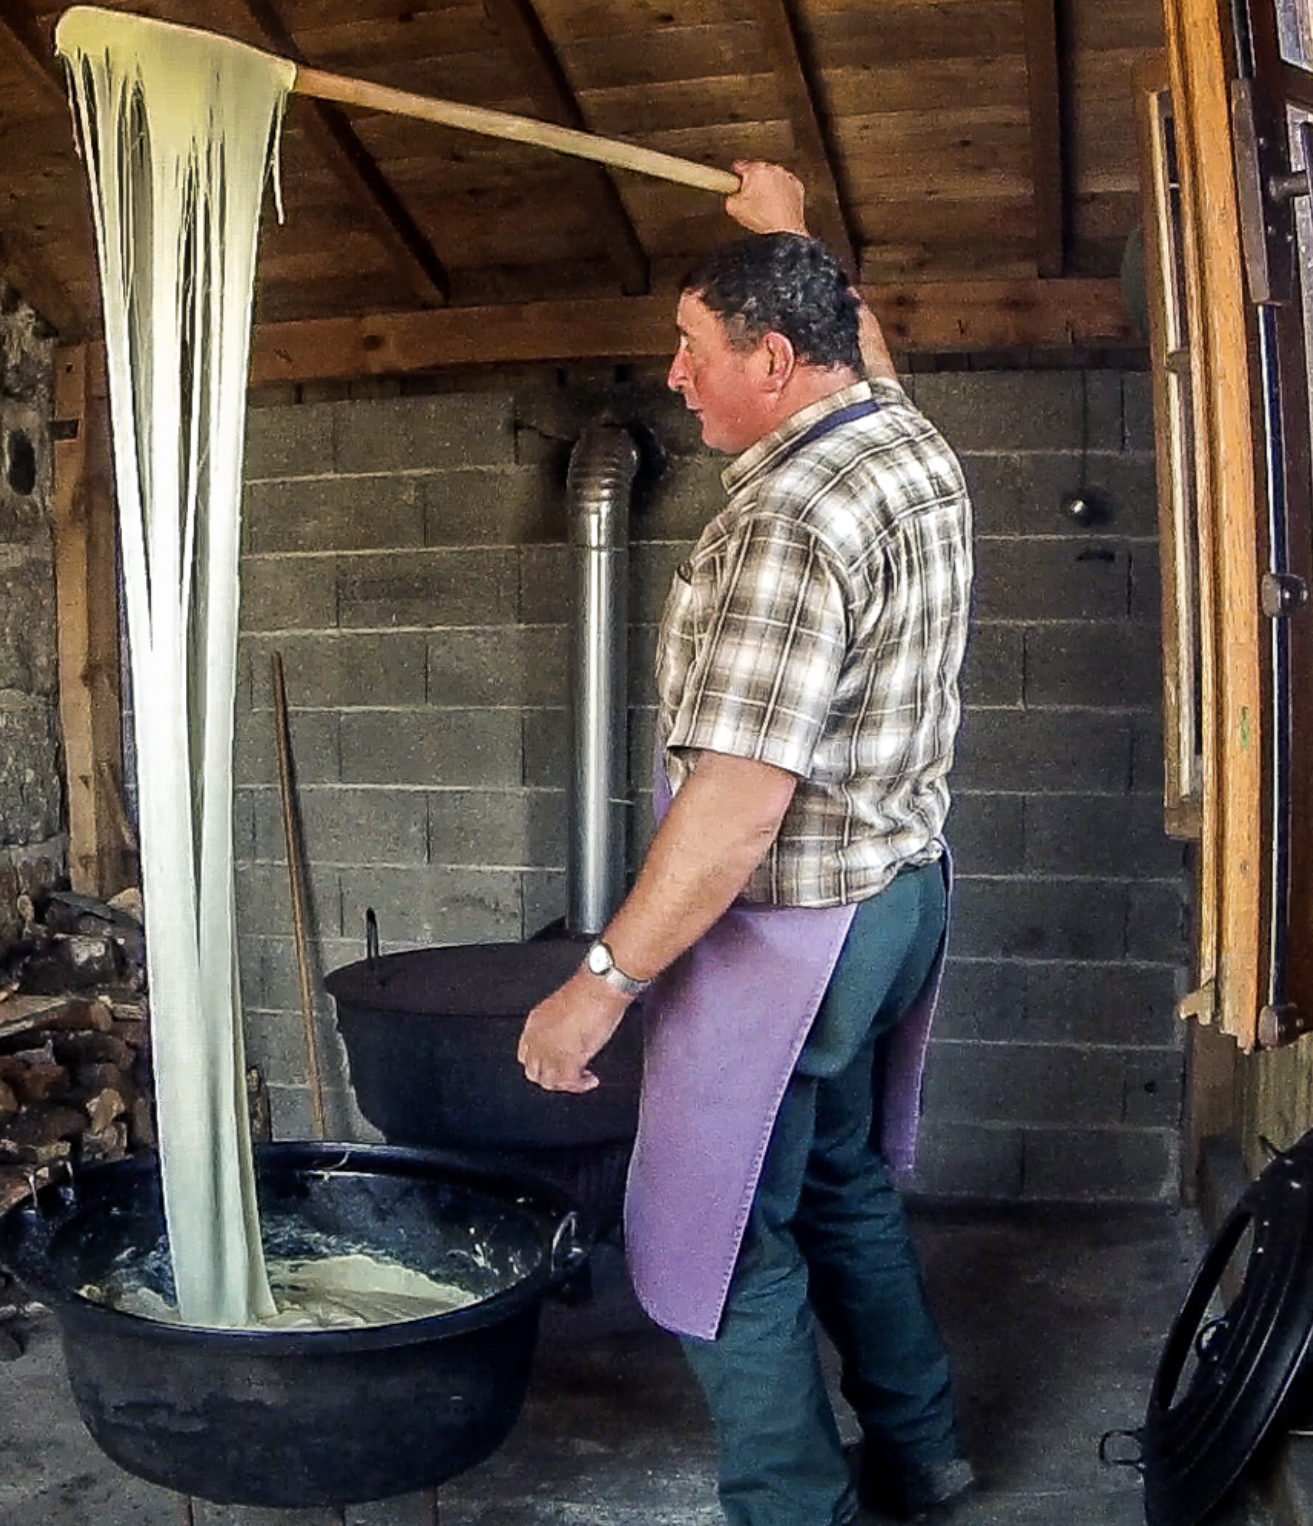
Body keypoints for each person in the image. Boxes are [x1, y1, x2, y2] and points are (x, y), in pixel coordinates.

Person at [518, 161, 977, 1526]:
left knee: (718, 1229)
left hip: (794, 935)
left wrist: (599, 980)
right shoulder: (898, 438)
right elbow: (864, 343)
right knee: (836, 1178)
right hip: (901, 901)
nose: (674, 375)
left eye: (695, 348)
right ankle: (924, 1450)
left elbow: (732, 809)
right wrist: (785, 231)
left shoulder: (785, 523)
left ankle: (795, 1507)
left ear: (771, 360)